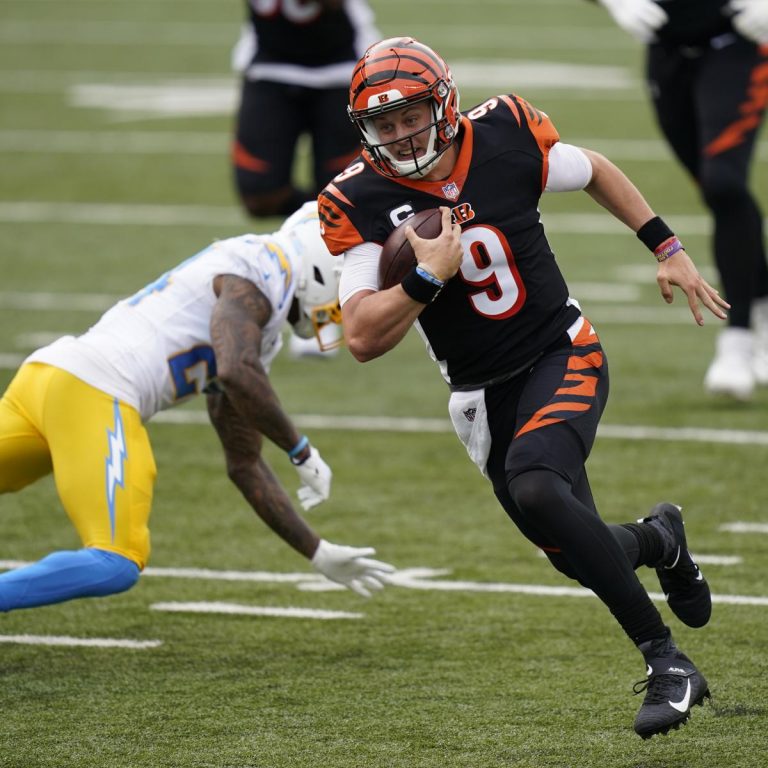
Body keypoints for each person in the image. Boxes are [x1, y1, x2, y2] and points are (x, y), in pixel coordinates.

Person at [318, 37, 730, 739]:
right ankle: (660, 539)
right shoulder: (357, 199)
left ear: (443, 105)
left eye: (411, 116)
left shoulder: (505, 133)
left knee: (537, 486)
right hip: (479, 396)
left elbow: (594, 169)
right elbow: (361, 336)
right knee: (577, 555)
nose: (401, 134)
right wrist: (426, 276)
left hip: (561, 351)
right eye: (384, 124)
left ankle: (668, 662)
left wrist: (667, 247)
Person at [0, 202, 395, 613]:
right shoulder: (263, 266)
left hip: (49, 377)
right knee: (115, 560)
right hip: (96, 391)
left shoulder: (262, 313)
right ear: (325, 269)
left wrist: (316, 550)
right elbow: (235, 370)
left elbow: (244, 462)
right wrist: (300, 450)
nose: (344, 308)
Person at [595, 0, 768, 400]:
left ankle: (737, 339)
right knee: (718, 192)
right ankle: (760, 301)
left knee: (724, 184)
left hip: (737, 42)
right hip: (667, 49)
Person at [231, 0, 379, 357]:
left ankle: (323, 313)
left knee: (341, 197)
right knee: (260, 193)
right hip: (269, 61)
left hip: (341, 64)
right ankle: (311, 229)